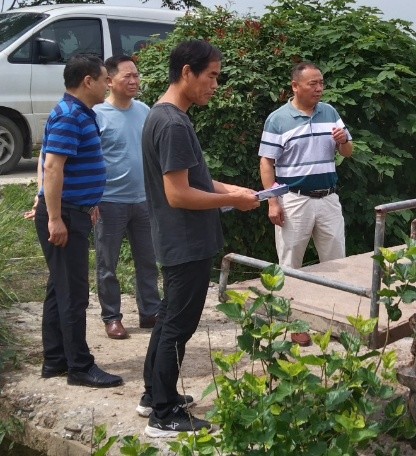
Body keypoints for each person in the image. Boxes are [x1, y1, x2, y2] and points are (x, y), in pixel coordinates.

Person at [140, 39, 260, 438]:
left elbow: (195, 181)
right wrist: (231, 200)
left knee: (169, 319)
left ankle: (153, 394)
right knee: (178, 324)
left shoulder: (164, 116)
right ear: (186, 72)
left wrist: (235, 192)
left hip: (178, 238)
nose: (215, 85)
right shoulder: (173, 123)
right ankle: (164, 413)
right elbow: (178, 193)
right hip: (186, 241)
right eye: (211, 76)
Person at [35, 54, 123, 388]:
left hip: (75, 211)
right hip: (64, 215)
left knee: (60, 290)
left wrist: (90, 203)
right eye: (104, 79)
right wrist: (56, 218)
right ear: (88, 81)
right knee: (73, 294)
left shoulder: (79, 114)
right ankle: (79, 367)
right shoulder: (71, 115)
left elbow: (70, 168)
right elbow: (53, 167)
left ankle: (55, 359)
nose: (108, 84)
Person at [258, 62, 353, 344]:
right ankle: (294, 324)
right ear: (295, 86)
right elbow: (266, 162)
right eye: (313, 84)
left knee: (336, 265)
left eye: (321, 83)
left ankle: (334, 322)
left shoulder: (331, 113)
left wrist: (344, 140)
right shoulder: (278, 119)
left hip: (328, 199)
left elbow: (348, 152)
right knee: (290, 265)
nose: (319, 88)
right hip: (293, 201)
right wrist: (273, 202)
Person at [93, 55, 161, 340]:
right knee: (107, 264)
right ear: (109, 81)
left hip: (144, 199)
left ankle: (150, 312)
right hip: (108, 201)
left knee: (148, 259)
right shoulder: (97, 114)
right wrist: (92, 198)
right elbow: (88, 159)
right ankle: (112, 317)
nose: (134, 81)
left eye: (136, 75)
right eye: (127, 76)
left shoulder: (145, 110)